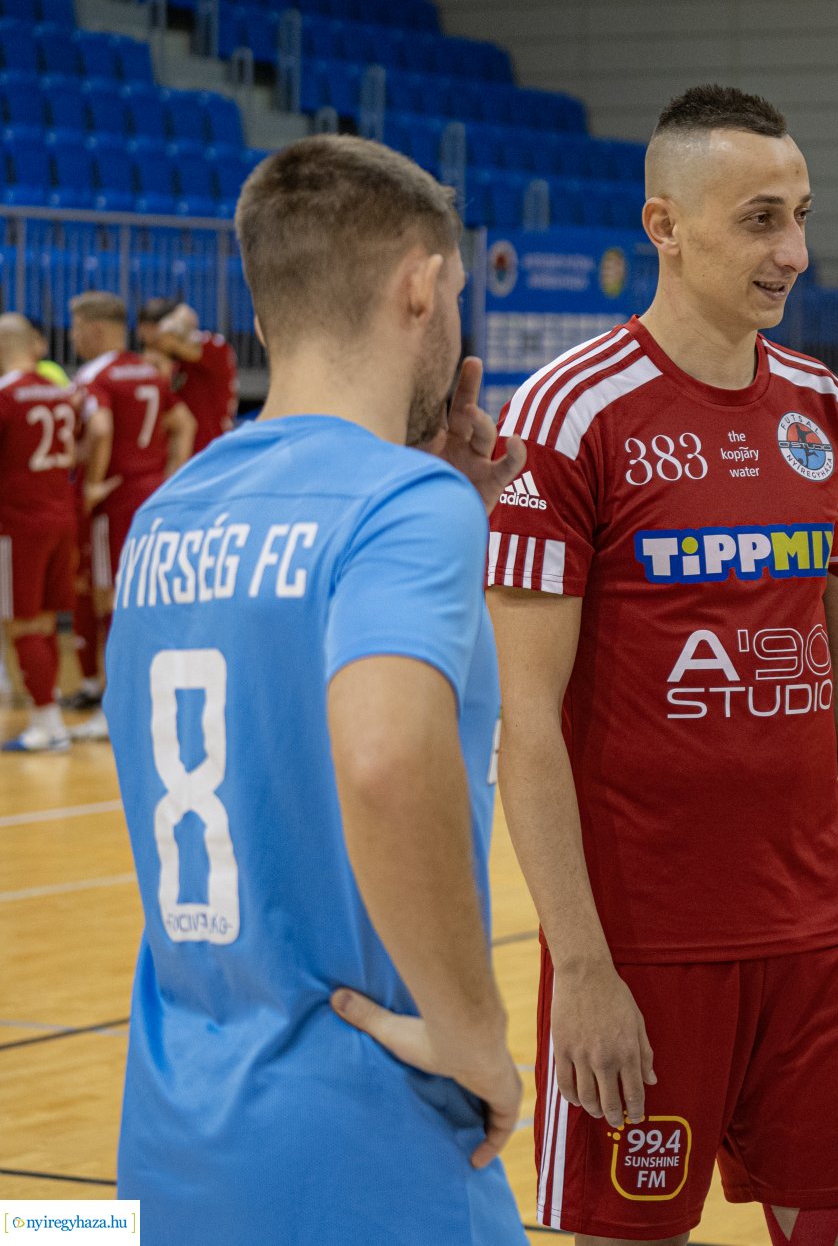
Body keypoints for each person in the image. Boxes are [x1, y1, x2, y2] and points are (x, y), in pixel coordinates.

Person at [486, 84, 838, 1246]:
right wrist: (581, 964)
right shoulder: (568, 415)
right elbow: (524, 719)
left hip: (819, 935)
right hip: (643, 950)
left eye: (801, 216)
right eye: (760, 220)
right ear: (666, 225)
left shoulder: (828, 415)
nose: (795, 253)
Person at [102, 134, 530, 1244]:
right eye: (456, 294)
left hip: (173, 1142)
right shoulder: (404, 508)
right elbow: (382, 758)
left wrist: (438, 500)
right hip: (362, 1145)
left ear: (263, 313)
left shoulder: (164, 516)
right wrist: (474, 1033)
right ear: (420, 285)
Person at [68, 291, 194, 740]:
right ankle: (151, 703)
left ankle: (114, 707)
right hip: (152, 496)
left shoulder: (95, 375)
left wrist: (92, 483)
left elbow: (100, 429)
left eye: (76, 327)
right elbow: (185, 424)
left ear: (95, 328)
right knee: (146, 599)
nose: (73, 336)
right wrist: (171, 479)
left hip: (116, 501)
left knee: (110, 602)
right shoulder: (148, 370)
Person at [0, 314, 81, 751]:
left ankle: (46, 725)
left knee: (21, 625)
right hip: (61, 515)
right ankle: (50, 724)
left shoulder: (6, 395)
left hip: (18, 523)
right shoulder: (60, 391)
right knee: (46, 622)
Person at [152, 302, 238, 455]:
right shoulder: (176, 360)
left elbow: (181, 346)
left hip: (212, 446)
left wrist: (171, 331)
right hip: (186, 447)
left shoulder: (214, 345)